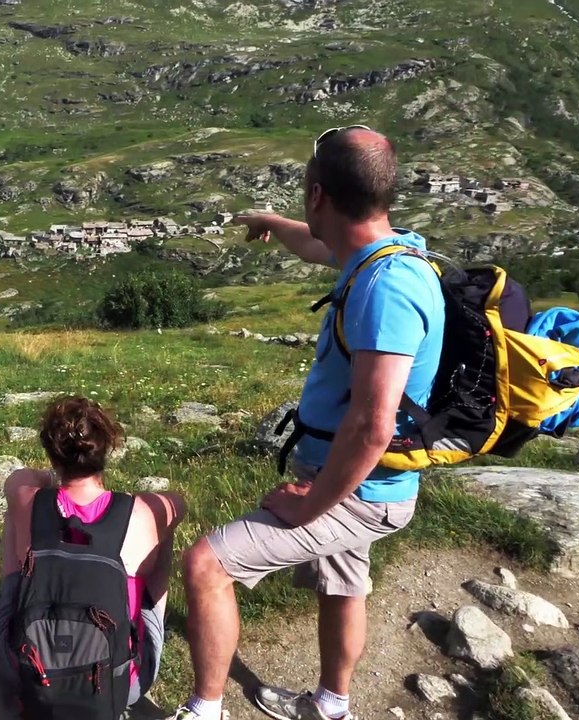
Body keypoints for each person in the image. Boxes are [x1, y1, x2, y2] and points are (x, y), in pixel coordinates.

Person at [166, 125, 445, 720]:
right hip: (357, 478)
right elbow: (319, 245)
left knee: (206, 565)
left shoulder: (389, 289)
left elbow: (373, 426)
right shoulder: (382, 251)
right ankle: (331, 703)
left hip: (358, 488)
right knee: (342, 583)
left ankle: (205, 709)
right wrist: (275, 221)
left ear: (319, 195)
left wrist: (311, 503)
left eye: (304, 194)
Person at [0, 395, 186, 709]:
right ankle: (141, 628)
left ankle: (18, 619)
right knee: (163, 533)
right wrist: (130, 500)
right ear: (105, 449)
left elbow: (18, 478)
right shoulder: (139, 513)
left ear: (53, 454)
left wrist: (49, 478)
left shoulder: (26, 497)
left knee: (19, 544)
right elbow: (178, 502)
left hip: (26, 674)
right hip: (120, 687)